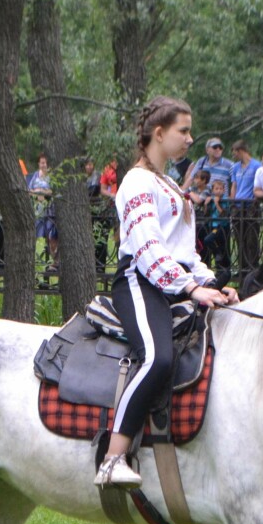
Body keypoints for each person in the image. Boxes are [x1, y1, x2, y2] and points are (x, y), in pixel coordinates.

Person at [95, 97, 237, 488]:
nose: (191, 138)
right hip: (139, 283)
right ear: (159, 134)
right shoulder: (137, 182)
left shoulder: (170, 185)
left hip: (171, 284)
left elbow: (186, 253)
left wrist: (210, 285)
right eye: (184, 131)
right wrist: (190, 289)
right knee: (157, 358)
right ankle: (112, 458)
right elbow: (148, 250)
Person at [228, 140, 263, 276]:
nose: (234, 155)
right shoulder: (235, 167)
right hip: (238, 206)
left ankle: (253, 267)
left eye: (235, 152)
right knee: (239, 238)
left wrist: (255, 202)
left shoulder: (256, 166)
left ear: (240, 151)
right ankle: (242, 268)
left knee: (251, 238)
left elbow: (258, 185)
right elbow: (234, 185)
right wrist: (232, 202)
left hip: (250, 206)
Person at [26, 154, 58, 269]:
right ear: (39, 164)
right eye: (41, 163)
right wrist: (37, 193)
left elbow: (54, 190)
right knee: (34, 235)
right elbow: (29, 190)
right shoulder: (34, 176)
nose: (43, 165)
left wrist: (43, 193)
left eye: (45, 163)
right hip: (37, 210)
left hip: (50, 210)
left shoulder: (51, 176)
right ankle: (33, 262)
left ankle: (54, 261)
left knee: (50, 236)